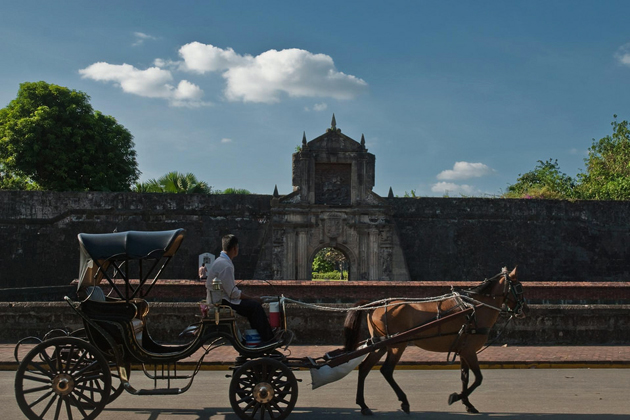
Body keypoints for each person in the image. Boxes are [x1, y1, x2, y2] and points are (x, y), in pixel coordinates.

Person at [206, 234, 275, 343]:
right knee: (255, 306)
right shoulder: (225, 265)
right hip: (223, 302)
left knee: (252, 308)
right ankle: (268, 340)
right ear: (234, 248)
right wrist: (253, 298)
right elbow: (233, 293)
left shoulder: (220, 261)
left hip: (219, 299)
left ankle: (258, 340)